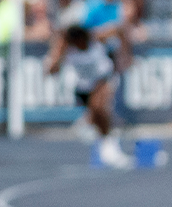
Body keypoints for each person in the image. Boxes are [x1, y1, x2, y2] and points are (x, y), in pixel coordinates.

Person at [46, 21, 131, 168]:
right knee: (97, 117)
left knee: (98, 108)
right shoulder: (66, 48)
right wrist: (57, 54)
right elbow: (52, 70)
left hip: (104, 77)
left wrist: (125, 55)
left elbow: (119, 29)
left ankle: (106, 142)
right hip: (85, 86)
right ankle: (106, 141)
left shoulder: (96, 38)